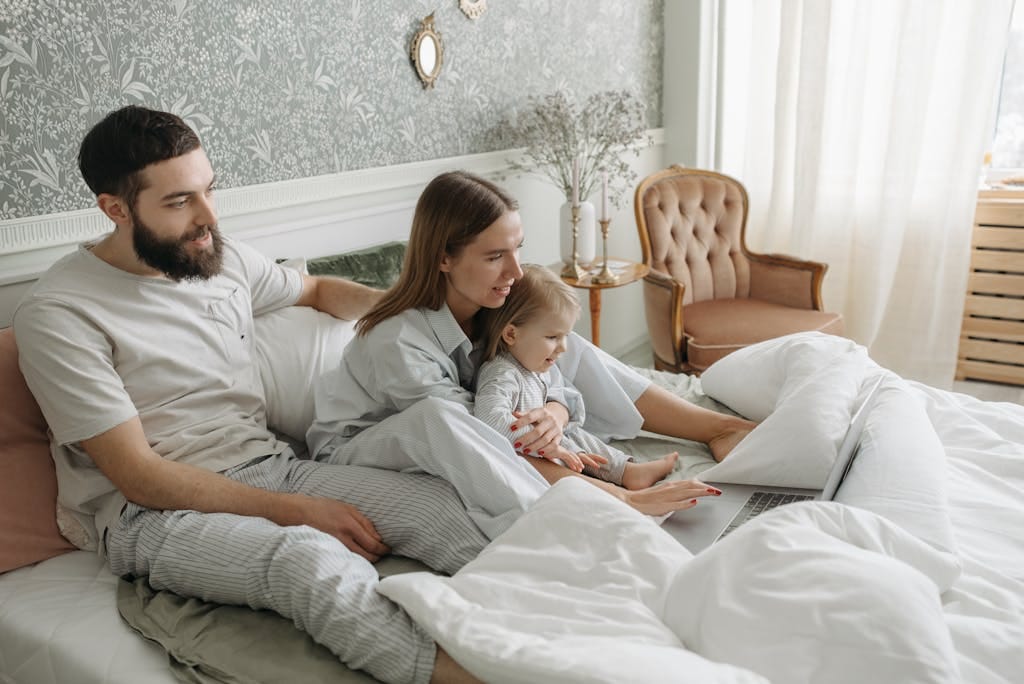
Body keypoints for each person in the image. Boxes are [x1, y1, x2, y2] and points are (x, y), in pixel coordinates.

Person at [13, 106, 485, 684]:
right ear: (115, 209)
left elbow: (315, 290)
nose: (208, 216)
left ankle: (555, 625)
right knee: (308, 560)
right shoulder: (59, 312)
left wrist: (420, 314)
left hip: (272, 467)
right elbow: (138, 476)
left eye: (209, 190)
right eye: (179, 201)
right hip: (152, 514)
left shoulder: (219, 258)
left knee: (439, 506)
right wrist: (298, 514)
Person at [307, 170, 755, 536]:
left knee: (552, 339)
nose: (516, 271)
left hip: (461, 423)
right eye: (494, 257)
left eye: (517, 249)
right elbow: (479, 436)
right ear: (444, 258)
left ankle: (717, 426)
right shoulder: (398, 342)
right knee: (451, 417)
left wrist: (556, 412)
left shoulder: (490, 303)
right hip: (360, 448)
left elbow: (547, 383)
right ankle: (624, 497)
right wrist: (619, 497)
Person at [474, 263, 681, 489]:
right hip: (531, 457)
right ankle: (622, 474)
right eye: (552, 337)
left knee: (577, 435)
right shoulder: (500, 373)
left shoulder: (532, 366)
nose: (563, 347)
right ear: (511, 334)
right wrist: (547, 445)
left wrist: (559, 433)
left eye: (565, 336)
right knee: (570, 437)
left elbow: (567, 401)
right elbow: (490, 420)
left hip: (551, 444)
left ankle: (626, 471)